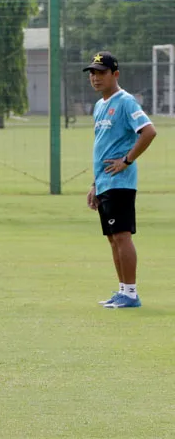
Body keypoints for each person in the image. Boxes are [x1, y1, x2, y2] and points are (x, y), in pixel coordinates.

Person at [84, 51, 156, 309]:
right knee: (113, 237)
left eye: (101, 72)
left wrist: (126, 160)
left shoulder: (125, 102)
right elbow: (102, 147)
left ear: (115, 74)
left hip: (120, 182)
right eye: (92, 73)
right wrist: (94, 184)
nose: (95, 77)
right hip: (104, 183)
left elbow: (149, 131)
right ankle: (124, 291)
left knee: (122, 236)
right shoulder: (99, 106)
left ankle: (131, 293)